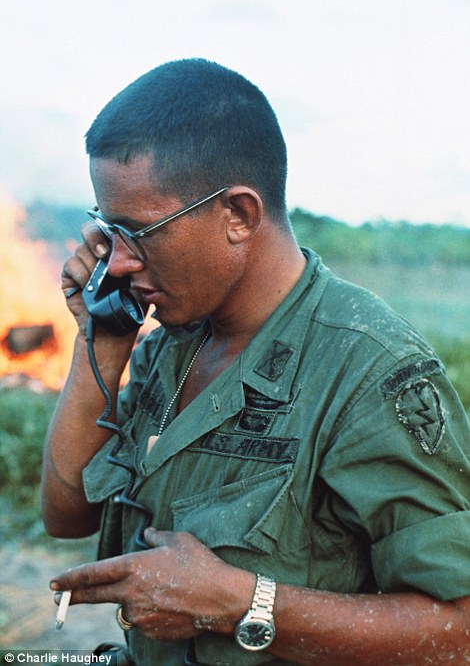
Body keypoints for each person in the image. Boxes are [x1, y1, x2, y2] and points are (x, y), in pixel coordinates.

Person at [41, 58, 470, 666]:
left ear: (238, 216)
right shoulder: (174, 340)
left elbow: (460, 630)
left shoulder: (366, 368)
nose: (116, 262)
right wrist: (103, 343)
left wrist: (244, 603)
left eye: (140, 232)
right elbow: (66, 515)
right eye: (108, 231)